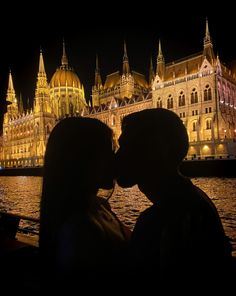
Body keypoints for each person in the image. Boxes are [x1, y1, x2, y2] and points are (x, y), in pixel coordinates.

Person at [115, 108, 234, 289]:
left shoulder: (157, 221)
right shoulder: (194, 199)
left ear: (153, 151)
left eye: (125, 146)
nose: (117, 156)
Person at [39, 117, 131, 292]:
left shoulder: (100, 206)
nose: (115, 159)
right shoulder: (78, 230)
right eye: (109, 151)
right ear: (82, 159)